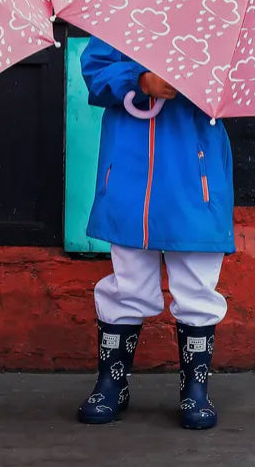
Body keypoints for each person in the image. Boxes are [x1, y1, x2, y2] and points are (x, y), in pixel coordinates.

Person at [76, 36, 235, 430]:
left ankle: (194, 388)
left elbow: (241, 84)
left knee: (198, 284)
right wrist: (140, 79)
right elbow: (94, 71)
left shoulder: (222, 23)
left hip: (194, 178)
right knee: (128, 281)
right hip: (131, 174)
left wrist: (194, 76)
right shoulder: (124, 14)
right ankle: (111, 382)